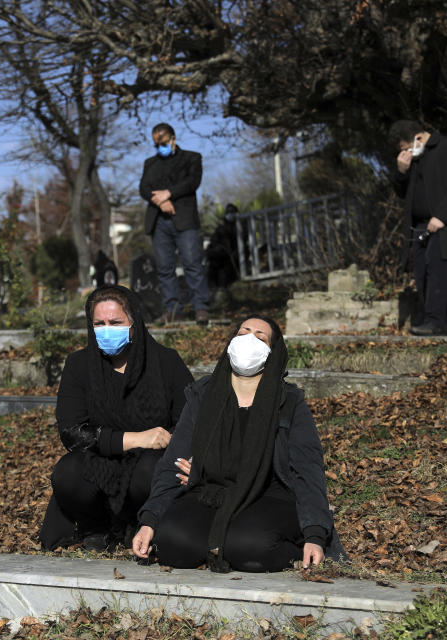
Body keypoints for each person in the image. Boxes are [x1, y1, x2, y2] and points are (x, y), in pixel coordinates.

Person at [132, 315, 346, 572]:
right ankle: (216, 541)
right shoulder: (202, 396)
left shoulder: (288, 402)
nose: (249, 340)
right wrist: (150, 520)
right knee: (172, 542)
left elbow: (306, 470)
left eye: (260, 336)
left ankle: (247, 543)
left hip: (269, 496)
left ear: (273, 351)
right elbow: (172, 464)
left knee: (250, 547)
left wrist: (314, 535)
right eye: (243, 332)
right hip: (210, 492)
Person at [39, 285, 194, 551]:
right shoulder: (79, 365)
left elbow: (190, 418)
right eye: (99, 323)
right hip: (101, 458)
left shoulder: (165, 362)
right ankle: (95, 526)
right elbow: (72, 432)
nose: (106, 329)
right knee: (69, 472)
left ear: (133, 325)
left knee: (151, 471)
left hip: (151, 461)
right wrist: (135, 439)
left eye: (115, 322)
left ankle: (143, 522)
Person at [388, 120, 447, 336]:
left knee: (437, 267)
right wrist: (401, 172)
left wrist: (442, 216)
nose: (405, 153)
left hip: (445, 223)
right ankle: (439, 324)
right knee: (421, 271)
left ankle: (437, 321)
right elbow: (404, 193)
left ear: (418, 138)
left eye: (406, 148)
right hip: (421, 226)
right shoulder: (413, 160)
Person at [139, 123, 212, 324]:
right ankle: (173, 310)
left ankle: (201, 308)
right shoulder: (150, 163)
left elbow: (192, 182)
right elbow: (144, 188)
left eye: (162, 141)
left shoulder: (192, 158)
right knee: (164, 268)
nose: (159, 145)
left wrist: (168, 193)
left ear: (172, 138)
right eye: (156, 143)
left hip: (184, 220)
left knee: (192, 263)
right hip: (159, 222)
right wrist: (161, 202)